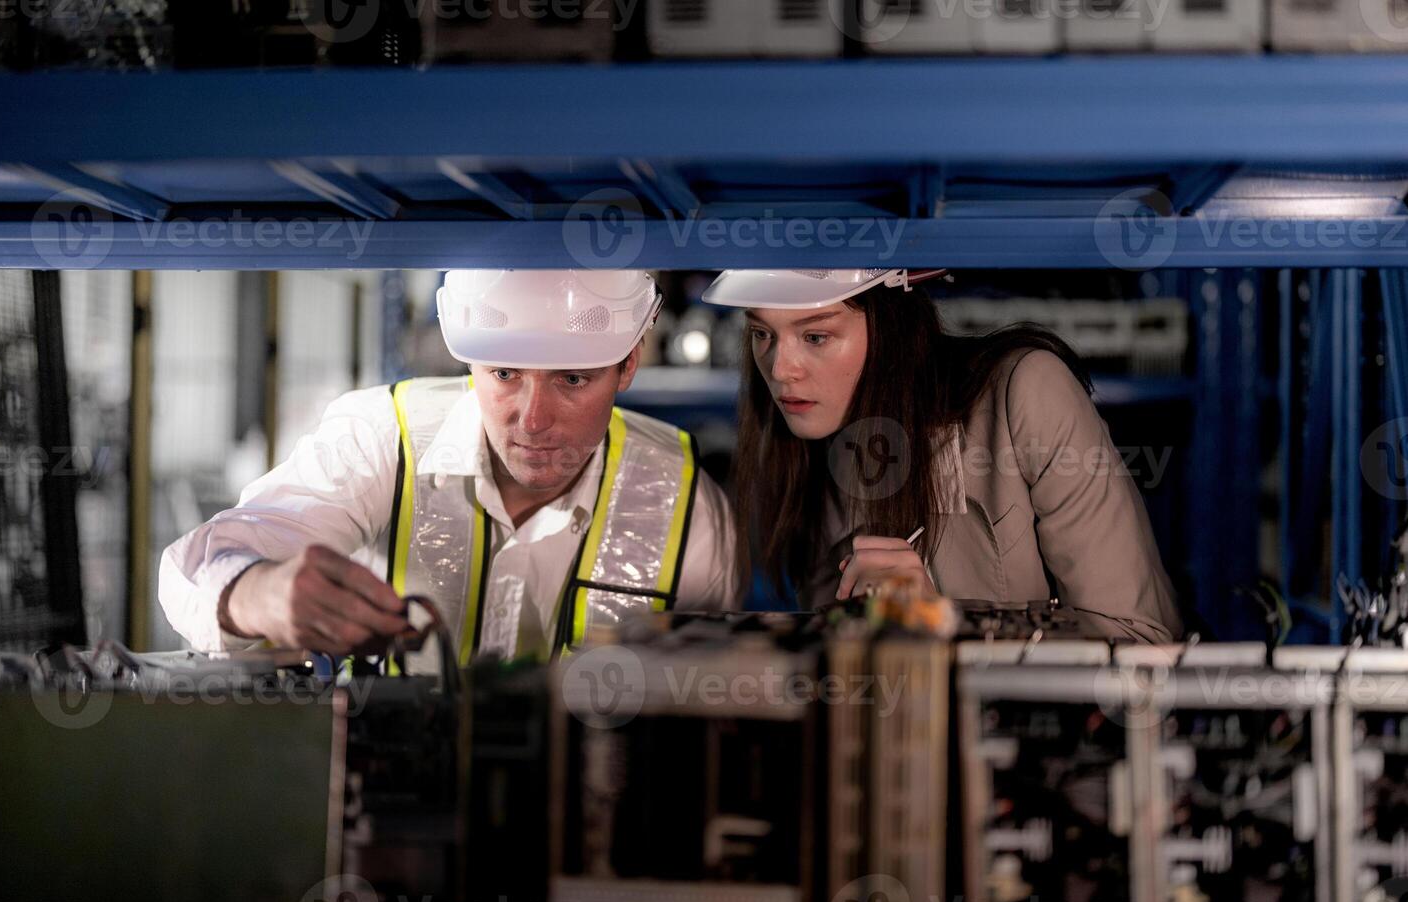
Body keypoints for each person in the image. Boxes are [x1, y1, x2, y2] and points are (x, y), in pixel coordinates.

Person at [161, 269, 738, 662]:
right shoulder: (381, 439)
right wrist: (255, 592)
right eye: (504, 374)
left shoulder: (689, 509)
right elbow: (194, 566)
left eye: (572, 379)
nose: (532, 420)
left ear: (630, 362)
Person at [703, 268, 1183, 643]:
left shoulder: (1023, 395)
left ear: (890, 325)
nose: (781, 370)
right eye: (762, 334)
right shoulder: (803, 446)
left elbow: (1141, 643)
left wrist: (947, 620)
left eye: (815, 337)